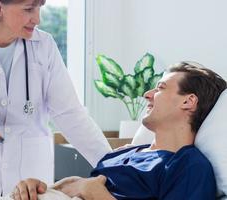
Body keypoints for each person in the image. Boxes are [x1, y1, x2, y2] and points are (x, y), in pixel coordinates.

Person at [0, 0, 112, 196]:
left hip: (31, 185)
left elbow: (71, 115)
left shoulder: (44, 47)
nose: (37, 18)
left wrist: (113, 166)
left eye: (40, 8)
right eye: (28, 9)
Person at [12, 62, 227, 200]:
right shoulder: (125, 153)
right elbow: (80, 187)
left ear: (188, 102)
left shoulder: (188, 166)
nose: (147, 94)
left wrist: (97, 195)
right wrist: (37, 190)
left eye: (160, 88)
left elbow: (90, 189)